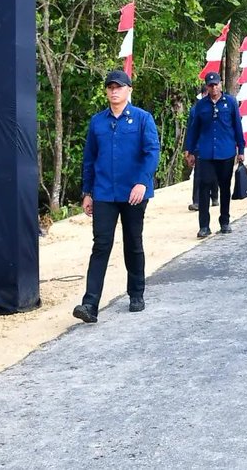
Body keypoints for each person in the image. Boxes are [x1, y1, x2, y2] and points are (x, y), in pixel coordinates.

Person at [73, 70, 161, 323]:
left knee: (133, 241)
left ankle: (136, 293)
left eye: (119, 87)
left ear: (128, 90)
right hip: (104, 192)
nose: (114, 91)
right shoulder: (98, 122)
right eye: (110, 87)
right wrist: (87, 192)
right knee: (101, 245)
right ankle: (89, 304)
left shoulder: (143, 119)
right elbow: (89, 158)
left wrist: (142, 183)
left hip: (133, 192)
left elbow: (151, 152)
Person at [184, 71, 245, 238]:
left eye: (216, 84)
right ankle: (204, 225)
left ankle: (224, 221)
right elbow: (193, 129)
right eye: (210, 85)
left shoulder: (230, 102)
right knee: (204, 187)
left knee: (225, 187)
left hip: (226, 151)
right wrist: (189, 151)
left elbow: (237, 126)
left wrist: (241, 149)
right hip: (206, 152)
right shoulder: (201, 106)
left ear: (221, 84)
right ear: (207, 87)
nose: (214, 88)